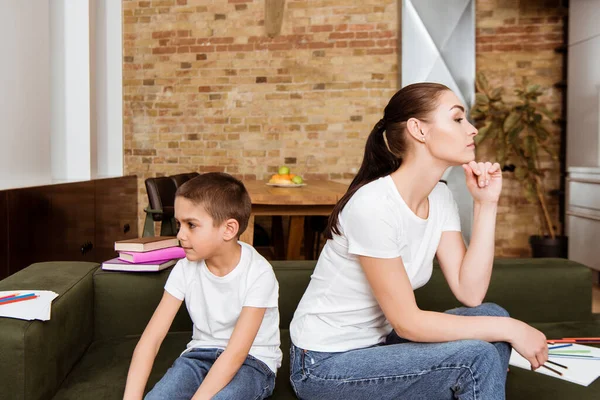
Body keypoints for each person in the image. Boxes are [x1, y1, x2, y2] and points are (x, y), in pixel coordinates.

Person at [289, 83, 548, 399]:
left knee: (493, 314)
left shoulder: (439, 195)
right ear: (418, 130)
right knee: (478, 356)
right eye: (457, 119)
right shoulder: (373, 205)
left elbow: (471, 292)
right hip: (325, 364)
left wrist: (485, 204)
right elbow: (409, 323)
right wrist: (513, 330)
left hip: (383, 343)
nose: (473, 130)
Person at [124, 172, 282, 400]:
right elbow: (151, 339)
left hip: (252, 362)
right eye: (179, 224)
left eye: (191, 225)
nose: (180, 235)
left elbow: (236, 354)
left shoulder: (259, 273)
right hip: (198, 356)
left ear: (228, 229)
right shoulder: (184, 269)